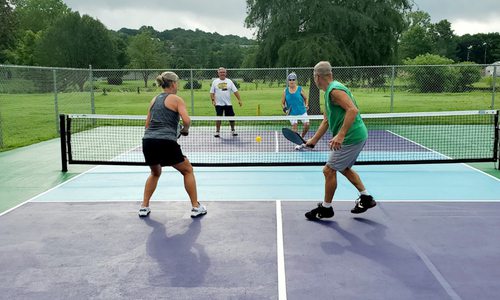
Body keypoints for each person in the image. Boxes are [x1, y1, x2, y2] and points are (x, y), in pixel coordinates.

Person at [304, 61, 376, 220]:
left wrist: (341, 135)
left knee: (328, 170)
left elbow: (352, 110)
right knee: (343, 168)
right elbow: (326, 120)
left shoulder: (334, 91)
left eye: (314, 77)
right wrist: (314, 140)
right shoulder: (330, 90)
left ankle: (326, 209)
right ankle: (366, 198)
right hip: (357, 135)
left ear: (317, 77)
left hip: (351, 137)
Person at [139, 71, 207, 218]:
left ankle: (144, 207)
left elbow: (147, 124)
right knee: (187, 170)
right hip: (165, 142)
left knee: (155, 172)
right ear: (174, 84)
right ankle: (196, 207)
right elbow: (187, 120)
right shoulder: (176, 99)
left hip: (148, 141)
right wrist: (185, 130)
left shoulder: (154, 99)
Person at [210, 67, 243, 137]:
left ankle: (233, 130)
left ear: (226, 73)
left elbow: (235, 91)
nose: (222, 73)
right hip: (218, 104)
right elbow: (212, 93)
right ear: (218, 73)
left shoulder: (229, 81)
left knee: (231, 117)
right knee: (218, 118)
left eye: (223, 72)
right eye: (221, 72)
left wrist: (239, 100)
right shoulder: (215, 82)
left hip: (228, 104)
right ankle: (217, 132)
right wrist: (213, 100)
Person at [281, 72, 310, 142]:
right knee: (294, 127)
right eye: (290, 80)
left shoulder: (300, 89)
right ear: (288, 81)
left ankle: (301, 137)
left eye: (293, 79)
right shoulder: (285, 91)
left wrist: (306, 105)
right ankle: (298, 142)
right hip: (292, 113)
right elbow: (282, 103)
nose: (292, 81)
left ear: (296, 80)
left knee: (307, 125)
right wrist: (285, 110)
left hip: (302, 111)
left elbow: (306, 98)